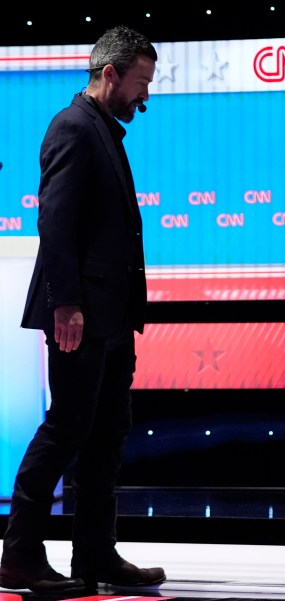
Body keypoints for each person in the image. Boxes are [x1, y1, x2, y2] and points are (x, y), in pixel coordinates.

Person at [0, 26, 166, 593]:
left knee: (105, 435)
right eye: (141, 82)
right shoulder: (73, 127)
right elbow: (56, 222)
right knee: (68, 427)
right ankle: (19, 555)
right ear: (110, 74)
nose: (145, 95)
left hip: (112, 316)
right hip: (81, 313)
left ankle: (95, 556)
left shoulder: (104, 130)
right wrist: (65, 303)